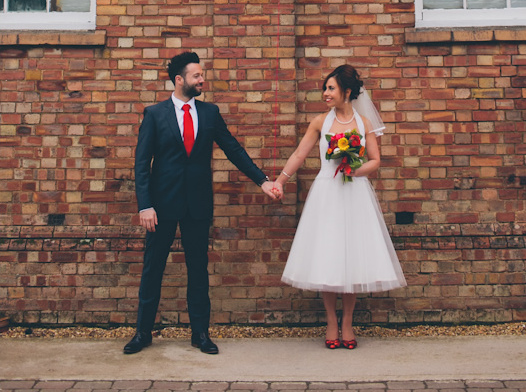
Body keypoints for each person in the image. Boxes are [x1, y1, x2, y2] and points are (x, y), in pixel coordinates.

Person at [124, 51, 280, 356]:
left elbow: (233, 149)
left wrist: (263, 181)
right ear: (180, 80)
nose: (202, 80)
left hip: (197, 205)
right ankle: (142, 333)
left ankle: (200, 334)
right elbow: (142, 164)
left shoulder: (210, 113)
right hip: (161, 207)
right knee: (152, 270)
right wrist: (145, 206)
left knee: (198, 271)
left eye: (202, 75)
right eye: (197, 76)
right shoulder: (154, 114)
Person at [273, 64, 406, 350]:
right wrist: (281, 180)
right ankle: (331, 321)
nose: (325, 93)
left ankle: (347, 322)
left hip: (354, 193)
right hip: (327, 194)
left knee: (352, 258)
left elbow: (375, 160)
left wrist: (354, 170)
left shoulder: (363, 124)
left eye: (331, 88)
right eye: (325, 88)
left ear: (346, 92)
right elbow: (299, 153)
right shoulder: (320, 122)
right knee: (328, 256)